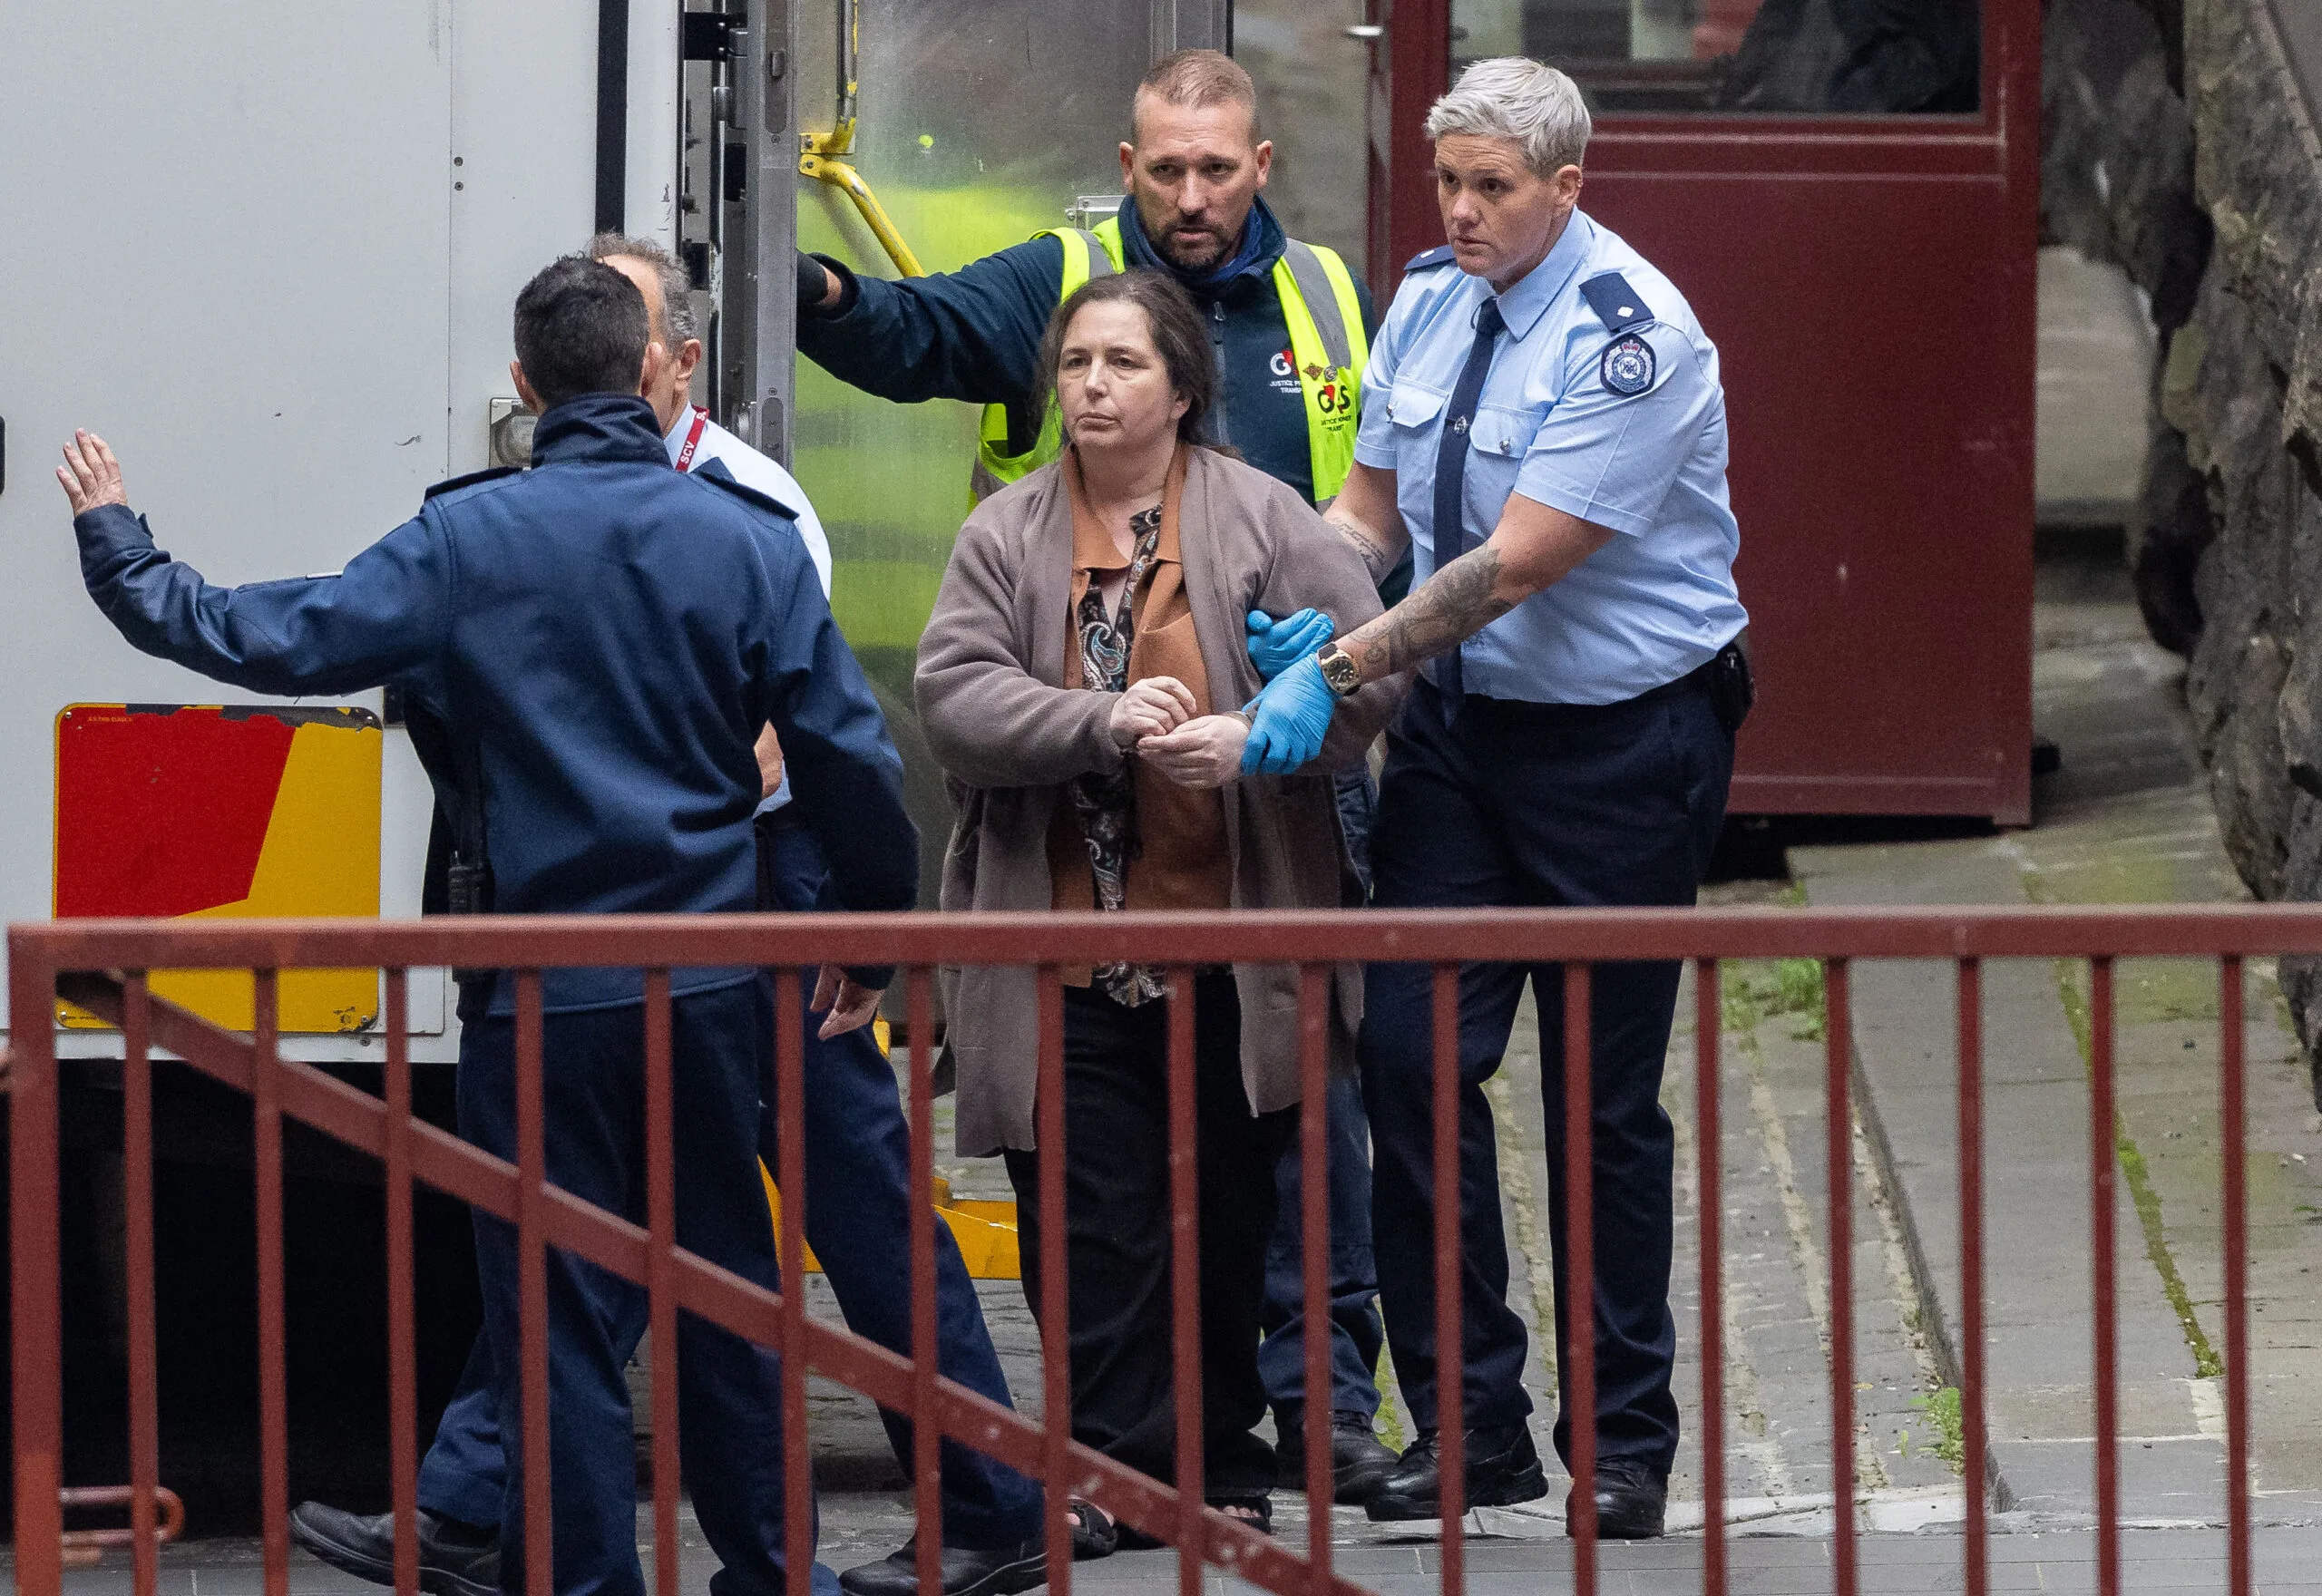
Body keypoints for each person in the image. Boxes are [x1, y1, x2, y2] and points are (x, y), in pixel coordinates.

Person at [55, 257, 923, 1596]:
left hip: (538, 998)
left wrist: (120, 543)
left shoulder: (463, 542)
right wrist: (870, 941)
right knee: (732, 1304)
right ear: (652, 369)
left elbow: (262, 637)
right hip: (709, 986)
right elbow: (853, 763)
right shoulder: (743, 540)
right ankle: (771, 1576)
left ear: (523, 388)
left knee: (557, 1326)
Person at [285, 234, 1047, 1596]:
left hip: (753, 912)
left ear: (671, 358)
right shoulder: (637, 521)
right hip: (703, 933)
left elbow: (791, 744)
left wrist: (853, 935)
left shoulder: (748, 505)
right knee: (643, 1254)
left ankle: (978, 1495)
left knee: (820, 1217)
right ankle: (501, 1504)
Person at [798, 45, 1400, 1502]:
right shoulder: (1019, 487)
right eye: (1165, 169)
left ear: (1261, 169)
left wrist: (1304, 693)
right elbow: (913, 337)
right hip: (1069, 923)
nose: (1190, 195)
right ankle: (1130, 1465)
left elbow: (1382, 597)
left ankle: (1292, 1432)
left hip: (1241, 897)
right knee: (1096, 1210)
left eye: (1217, 168)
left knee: (1287, 1172)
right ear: (1127, 170)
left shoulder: (1324, 301)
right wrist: (803, 290)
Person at [1239, 58, 1751, 1539]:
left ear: (1567, 189)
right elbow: (1370, 515)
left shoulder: (1630, 337)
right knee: (1407, 1060)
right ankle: (1473, 1426)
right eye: (1446, 183)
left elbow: (1517, 561)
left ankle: (1626, 1439)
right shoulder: (1428, 296)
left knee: (1601, 1098)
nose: (1459, 212)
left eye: (1492, 192)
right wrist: (1304, 602)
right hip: (1465, 740)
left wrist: (1337, 668)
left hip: (1622, 744)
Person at [913, 271, 1404, 1542]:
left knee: (1221, 1212)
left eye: (1124, 364)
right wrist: (1099, 723)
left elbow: (1368, 685)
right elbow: (954, 698)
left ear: (1181, 389)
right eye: (1076, 362)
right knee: (1084, 1222)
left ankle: (1215, 1458)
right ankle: (1113, 1473)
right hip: (1064, 951)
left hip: (1223, 952)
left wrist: (1266, 732)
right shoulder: (1005, 533)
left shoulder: (1266, 515)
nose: (1092, 386)